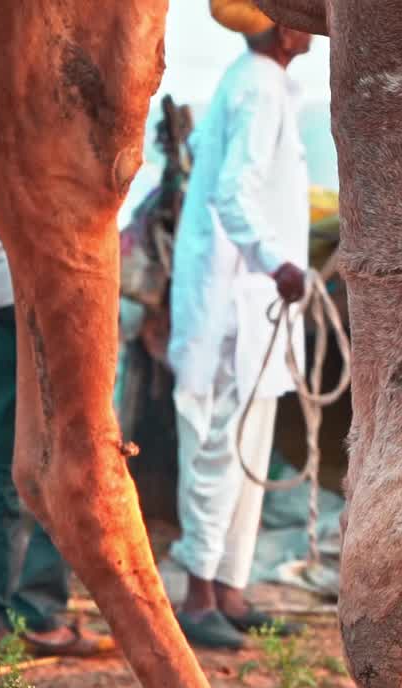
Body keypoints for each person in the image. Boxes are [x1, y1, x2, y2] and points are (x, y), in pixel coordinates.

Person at [165, 5, 314, 650]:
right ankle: (198, 596)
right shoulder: (254, 85)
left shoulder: (261, 82)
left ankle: (231, 590)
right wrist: (275, 260)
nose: (312, 28)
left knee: (249, 448)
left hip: (251, 303)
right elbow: (232, 191)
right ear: (283, 28)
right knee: (219, 447)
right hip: (233, 302)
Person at [0, 123, 114, 656]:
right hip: (49, 283)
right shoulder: (32, 88)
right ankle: (39, 613)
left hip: (2, 284)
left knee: (6, 443)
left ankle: (4, 613)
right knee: (62, 441)